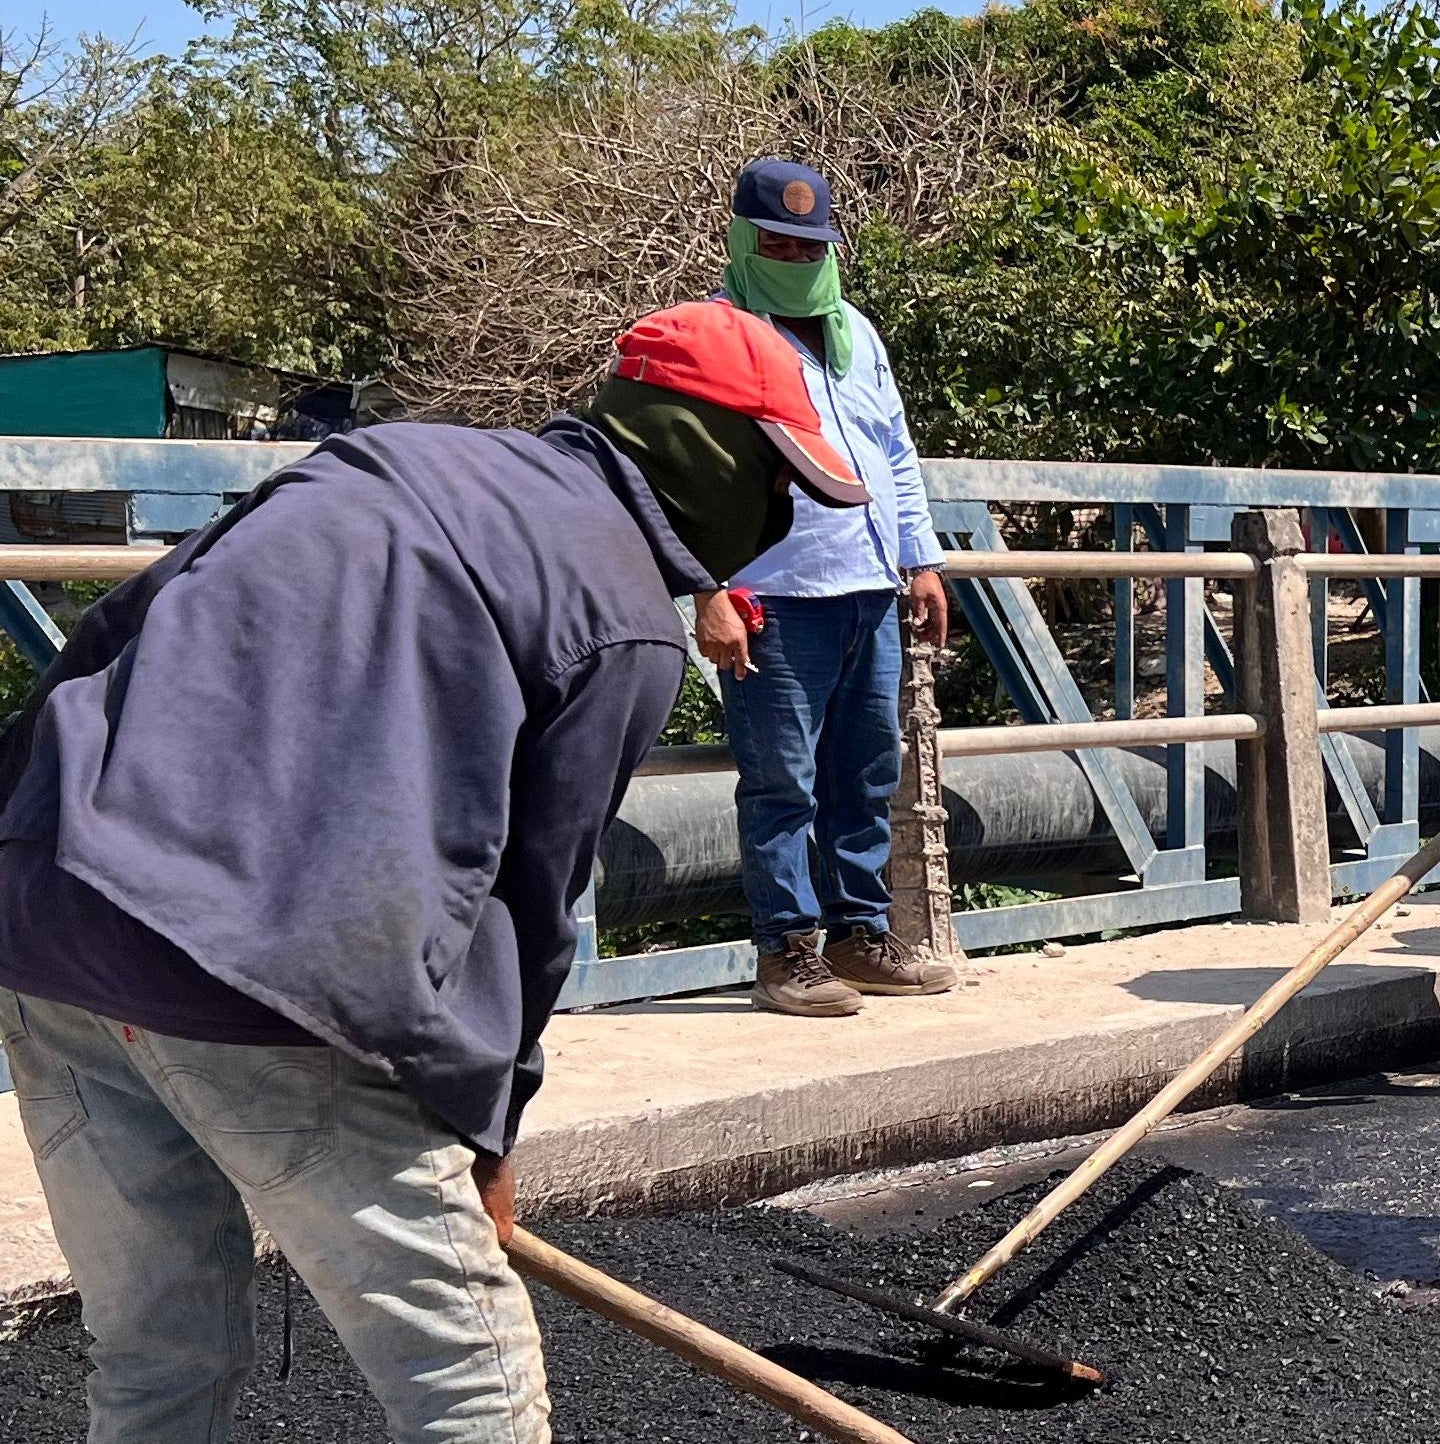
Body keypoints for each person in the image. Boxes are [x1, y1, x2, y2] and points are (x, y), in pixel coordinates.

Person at [0, 301, 869, 1441]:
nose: (784, 512)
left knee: (160, 1349)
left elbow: (122, 629)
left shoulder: (401, 451)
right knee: (471, 1381)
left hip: (47, 920)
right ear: (712, 453)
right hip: (257, 979)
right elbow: (529, 903)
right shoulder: (623, 621)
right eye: (782, 481)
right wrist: (485, 1131)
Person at [692, 159, 957, 1016]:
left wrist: (921, 560)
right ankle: (786, 952)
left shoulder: (856, 334)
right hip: (774, 594)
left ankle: (859, 933)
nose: (796, 259)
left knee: (867, 774)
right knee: (781, 784)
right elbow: (679, 475)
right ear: (742, 240)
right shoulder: (714, 337)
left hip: (869, 586)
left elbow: (897, 455)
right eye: (776, 243)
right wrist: (709, 590)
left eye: (811, 245)